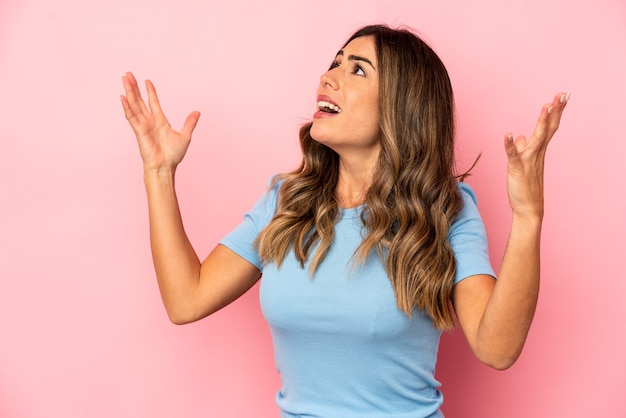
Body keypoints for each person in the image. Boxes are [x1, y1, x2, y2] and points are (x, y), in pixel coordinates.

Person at [121, 24, 568, 418]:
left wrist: (528, 217)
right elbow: (186, 300)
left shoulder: (446, 209)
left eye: (357, 69)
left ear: (400, 104)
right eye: (335, 62)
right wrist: (159, 173)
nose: (327, 77)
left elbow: (497, 347)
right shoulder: (285, 202)